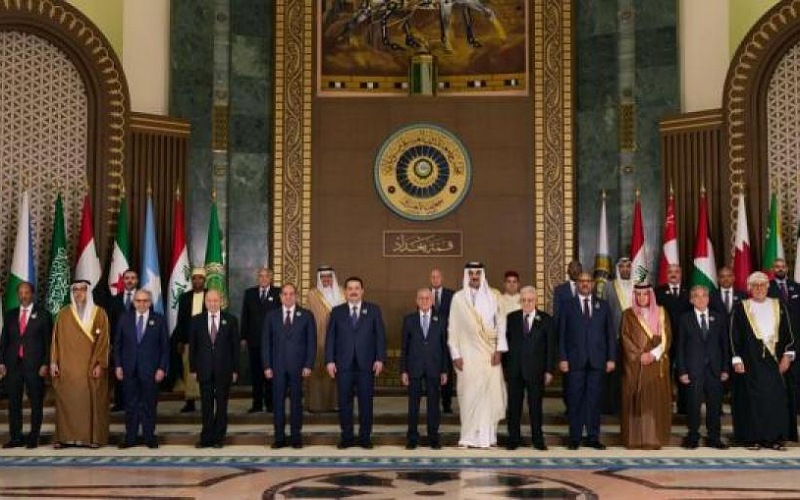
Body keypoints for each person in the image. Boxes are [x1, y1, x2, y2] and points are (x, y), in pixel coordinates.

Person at [730, 271, 796, 450]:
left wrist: (788, 356)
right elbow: (734, 335)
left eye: (762, 285)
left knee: (775, 400)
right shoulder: (741, 307)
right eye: (755, 285)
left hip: (775, 362)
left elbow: (789, 333)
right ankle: (754, 439)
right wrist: (736, 358)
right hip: (750, 362)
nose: (759, 288)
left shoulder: (779, 305)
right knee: (753, 401)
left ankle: (775, 438)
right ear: (749, 288)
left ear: (768, 287)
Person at [448, 261, 507, 449]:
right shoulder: (458, 299)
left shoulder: (493, 297)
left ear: (482, 275)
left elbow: (501, 324)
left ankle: (488, 438)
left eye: (478, 273)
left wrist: (499, 350)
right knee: (468, 396)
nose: (474, 276)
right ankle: (468, 437)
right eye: (471, 273)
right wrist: (455, 354)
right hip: (466, 355)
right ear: (467, 275)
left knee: (489, 396)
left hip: (489, 355)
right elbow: (452, 328)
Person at [325, 276, 386, 449]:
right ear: (345, 292)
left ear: (362, 291)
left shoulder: (373, 310)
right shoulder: (337, 311)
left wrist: (380, 359)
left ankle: (365, 437)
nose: (353, 291)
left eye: (356, 288)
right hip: (343, 364)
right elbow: (330, 338)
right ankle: (347, 437)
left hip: (366, 364)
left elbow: (380, 336)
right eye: (350, 288)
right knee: (344, 403)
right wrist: (329, 361)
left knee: (366, 403)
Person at [50, 280, 111, 448]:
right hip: (67, 370)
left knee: (90, 403)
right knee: (67, 403)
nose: (78, 293)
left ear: (88, 292)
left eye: (82, 290)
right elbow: (55, 341)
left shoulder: (99, 313)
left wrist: (100, 364)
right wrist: (54, 363)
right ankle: (65, 438)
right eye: (75, 290)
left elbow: (104, 342)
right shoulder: (63, 314)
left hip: (90, 368)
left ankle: (92, 438)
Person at [558, 272, 615, 450]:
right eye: (581, 281)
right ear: (577, 284)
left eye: (588, 281)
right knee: (575, 400)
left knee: (594, 401)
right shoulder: (567, 305)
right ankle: (575, 437)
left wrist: (611, 358)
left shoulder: (603, 305)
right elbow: (561, 334)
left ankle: (593, 437)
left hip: (597, 361)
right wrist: (562, 358)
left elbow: (610, 334)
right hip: (574, 361)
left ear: (593, 284)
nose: (585, 284)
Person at [114, 289, 170, 449]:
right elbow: (117, 345)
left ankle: (149, 437)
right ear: (134, 302)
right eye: (138, 301)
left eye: (145, 301)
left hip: (151, 371)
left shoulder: (158, 320)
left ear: (150, 302)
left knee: (149, 404)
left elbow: (165, 348)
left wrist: (162, 368)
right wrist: (118, 365)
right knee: (130, 405)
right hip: (129, 369)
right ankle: (130, 438)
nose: (142, 304)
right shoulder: (124, 318)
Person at [263, 283, 316, 449]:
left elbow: (311, 343)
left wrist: (308, 364)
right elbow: (266, 343)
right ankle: (279, 437)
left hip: (298, 367)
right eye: (285, 294)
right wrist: (267, 366)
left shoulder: (306, 315)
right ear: (280, 297)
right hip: (276, 367)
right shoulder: (271, 316)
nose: (288, 297)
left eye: (291, 294)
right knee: (278, 403)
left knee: (296, 404)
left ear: (296, 296)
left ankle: (295, 437)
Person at [619, 282, 672, 449]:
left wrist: (654, 354)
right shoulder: (628, 314)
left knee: (655, 402)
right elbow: (625, 338)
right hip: (636, 365)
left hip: (656, 364)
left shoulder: (662, 312)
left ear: (651, 295)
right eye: (638, 294)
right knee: (636, 401)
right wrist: (639, 356)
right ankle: (635, 440)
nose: (642, 298)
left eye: (645, 294)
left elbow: (667, 337)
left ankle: (655, 439)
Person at [0, 282, 52, 449]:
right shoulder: (10, 315)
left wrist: (45, 363)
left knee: (36, 401)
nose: (23, 296)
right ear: (18, 295)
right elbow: (4, 340)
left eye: (26, 292)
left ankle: (33, 437)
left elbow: (48, 343)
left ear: (32, 294)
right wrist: (1, 361)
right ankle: (16, 437)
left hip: (35, 365)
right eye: (21, 293)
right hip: (13, 365)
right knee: (14, 402)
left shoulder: (43, 314)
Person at [502, 286, 555, 451]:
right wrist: (505, 367)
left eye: (530, 300)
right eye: (523, 300)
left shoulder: (546, 319)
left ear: (535, 301)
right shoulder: (511, 318)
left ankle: (538, 439)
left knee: (535, 407)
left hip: (536, 370)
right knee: (514, 407)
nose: (526, 303)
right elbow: (505, 344)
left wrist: (549, 370)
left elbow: (551, 347)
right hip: (515, 370)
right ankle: (513, 439)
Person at [677, 285, 729, 449]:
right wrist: (682, 371)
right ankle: (693, 436)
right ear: (691, 300)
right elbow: (680, 347)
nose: (701, 299)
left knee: (715, 405)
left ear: (708, 298)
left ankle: (714, 437)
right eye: (697, 296)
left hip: (715, 369)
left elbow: (724, 345)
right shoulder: (684, 319)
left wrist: (725, 368)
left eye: (704, 295)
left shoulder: (718, 318)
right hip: (693, 369)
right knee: (693, 404)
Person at [189, 289, 240, 448]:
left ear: (221, 302)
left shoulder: (230, 320)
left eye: (215, 300)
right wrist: (193, 368)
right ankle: (206, 437)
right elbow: (193, 347)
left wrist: (235, 370)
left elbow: (235, 348)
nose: (212, 303)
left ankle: (219, 438)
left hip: (224, 369)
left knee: (222, 405)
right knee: (206, 405)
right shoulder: (197, 320)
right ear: (205, 302)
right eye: (209, 301)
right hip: (204, 369)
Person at [400, 288, 448, 450]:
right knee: (413, 405)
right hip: (414, 368)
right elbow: (404, 347)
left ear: (432, 301)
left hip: (435, 367)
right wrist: (403, 370)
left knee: (433, 405)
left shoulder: (441, 320)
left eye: (428, 298)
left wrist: (444, 370)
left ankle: (433, 437)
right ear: (416, 301)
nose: (424, 301)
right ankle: (412, 438)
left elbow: (444, 347)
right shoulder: (409, 320)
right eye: (421, 298)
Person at [241, 267, 281, 413]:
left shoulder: (278, 293)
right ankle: (257, 404)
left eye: (266, 276)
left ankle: (270, 404)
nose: (263, 279)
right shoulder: (249, 293)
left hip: (273, 341)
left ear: (271, 278)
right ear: (257, 278)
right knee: (256, 374)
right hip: (254, 340)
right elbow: (245, 316)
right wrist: (243, 337)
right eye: (261, 276)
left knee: (271, 373)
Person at [305, 265, 344, 413]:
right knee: (319, 372)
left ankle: (337, 404)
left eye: (328, 276)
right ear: (319, 278)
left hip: (340, 339)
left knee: (339, 372)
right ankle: (317, 405)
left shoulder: (342, 292)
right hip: (319, 338)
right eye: (323, 277)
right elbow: (308, 318)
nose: (326, 279)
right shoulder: (312, 294)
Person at [655, 263, 691, 415]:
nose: (673, 274)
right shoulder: (658, 292)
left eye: (676, 271)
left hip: (685, 340)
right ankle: (664, 405)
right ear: (667, 274)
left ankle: (684, 407)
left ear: (681, 274)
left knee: (684, 372)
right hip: (664, 339)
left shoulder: (689, 291)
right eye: (670, 271)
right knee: (664, 372)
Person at [602, 257, 633, 415]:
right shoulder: (609, 287)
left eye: (628, 266)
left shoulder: (638, 286)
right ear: (618, 269)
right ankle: (613, 407)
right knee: (614, 374)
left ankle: (631, 406)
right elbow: (604, 312)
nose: (625, 269)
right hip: (614, 337)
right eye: (622, 266)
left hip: (634, 339)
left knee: (631, 373)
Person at [174, 267, 207, 413]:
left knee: (205, 370)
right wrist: (180, 340)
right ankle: (190, 402)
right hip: (188, 340)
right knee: (188, 371)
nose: (197, 281)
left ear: (204, 280)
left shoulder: (210, 295)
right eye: (194, 278)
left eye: (200, 278)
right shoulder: (185, 297)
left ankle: (206, 400)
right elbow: (180, 320)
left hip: (206, 341)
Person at [108, 269, 138, 412]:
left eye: (132, 278)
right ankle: (120, 402)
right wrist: (111, 343)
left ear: (137, 280)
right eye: (127, 278)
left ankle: (134, 401)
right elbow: (110, 323)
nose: (130, 281)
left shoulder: (143, 299)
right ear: (123, 280)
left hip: (138, 344)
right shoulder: (114, 300)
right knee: (119, 373)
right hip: (119, 344)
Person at [429, 267, 455, 414]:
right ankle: (433, 403)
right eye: (433, 277)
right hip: (430, 340)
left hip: (447, 339)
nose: (435, 279)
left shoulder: (451, 295)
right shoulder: (425, 294)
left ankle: (446, 404)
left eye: (437, 276)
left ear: (442, 278)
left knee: (447, 372)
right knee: (432, 372)